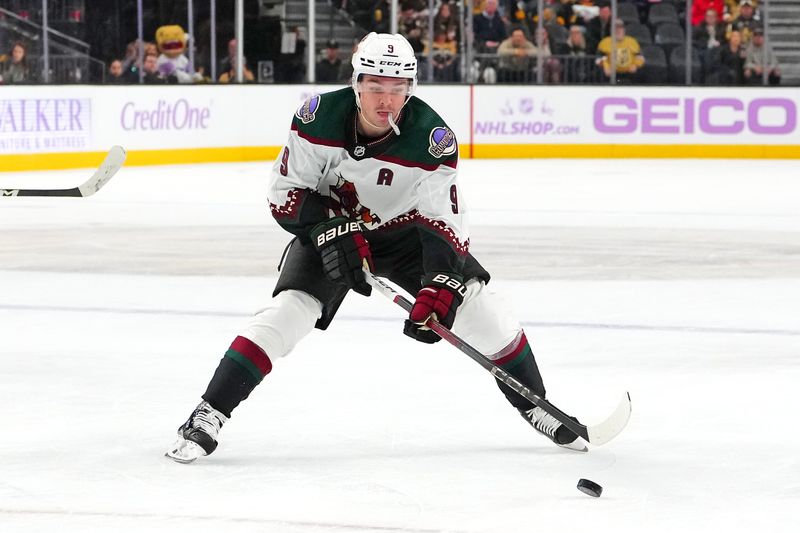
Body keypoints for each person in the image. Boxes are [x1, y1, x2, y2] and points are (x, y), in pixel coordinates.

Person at [166, 32, 586, 464]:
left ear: (411, 89)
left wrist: (440, 283)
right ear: (356, 83)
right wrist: (330, 228)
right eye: (376, 88)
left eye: (397, 90)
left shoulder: (432, 138)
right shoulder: (317, 119)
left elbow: (444, 221)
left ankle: (536, 405)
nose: (386, 101)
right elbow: (284, 193)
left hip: (405, 237)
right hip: (330, 230)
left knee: (484, 311)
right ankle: (208, 412)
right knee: (288, 312)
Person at [596, 19, 645, 83]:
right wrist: (606, 66)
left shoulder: (632, 42)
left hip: (629, 73)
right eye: (615, 28)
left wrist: (635, 65)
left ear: (624, 29)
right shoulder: (604, 42)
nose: (618, 30)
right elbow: (598, 59)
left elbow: (640, 58)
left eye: (620, 28)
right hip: (611, 74)